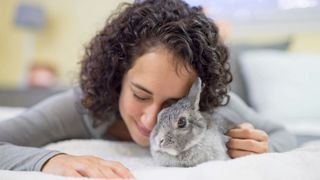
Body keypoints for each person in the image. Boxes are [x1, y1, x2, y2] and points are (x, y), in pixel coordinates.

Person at [0, 0, 297, 179]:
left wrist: (264, 146)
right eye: (140, 95)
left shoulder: (210, 107)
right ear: (118, 76)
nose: (150, 119)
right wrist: (51, 160)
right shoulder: (83, 105)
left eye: (173, 104)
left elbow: (286, 135)